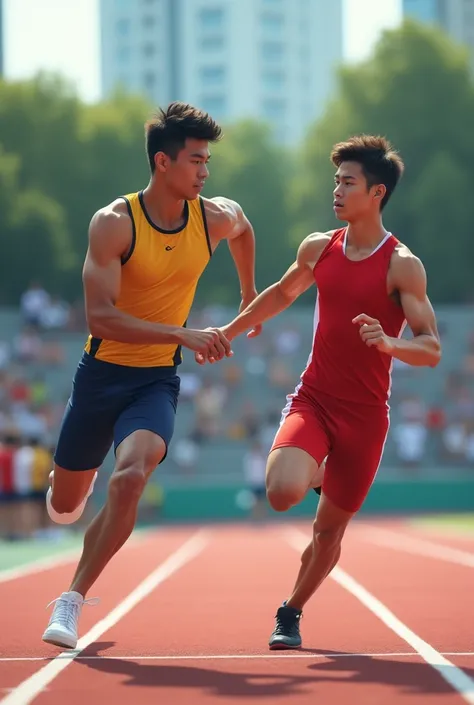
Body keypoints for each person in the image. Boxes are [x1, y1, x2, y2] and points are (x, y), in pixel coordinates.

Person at [207, 135, 441, 649]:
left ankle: (289, 611)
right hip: (315, 398)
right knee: (282, 491)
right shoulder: (319, 247)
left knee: (328, 534)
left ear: (376, 192)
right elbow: (282, 293)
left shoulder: (402, 264)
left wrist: (389, 343)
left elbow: (431, 349)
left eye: (347, 182)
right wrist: (231, 329)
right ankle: (315, 473)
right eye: (335, 180)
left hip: (365, 417)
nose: (336, 189)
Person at [42, 102, 260, 649]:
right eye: (195, 161)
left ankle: (70, 602)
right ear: (163, 162)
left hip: (154, 382)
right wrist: (182, 333)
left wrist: (248, 292)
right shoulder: (114, 223)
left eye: (208, 161)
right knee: (67, 506)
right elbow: (101, 317)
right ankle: (72, 480)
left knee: (132, 477)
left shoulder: (212, 216)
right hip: (100, 375)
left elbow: (245, 226)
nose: (205, 172)